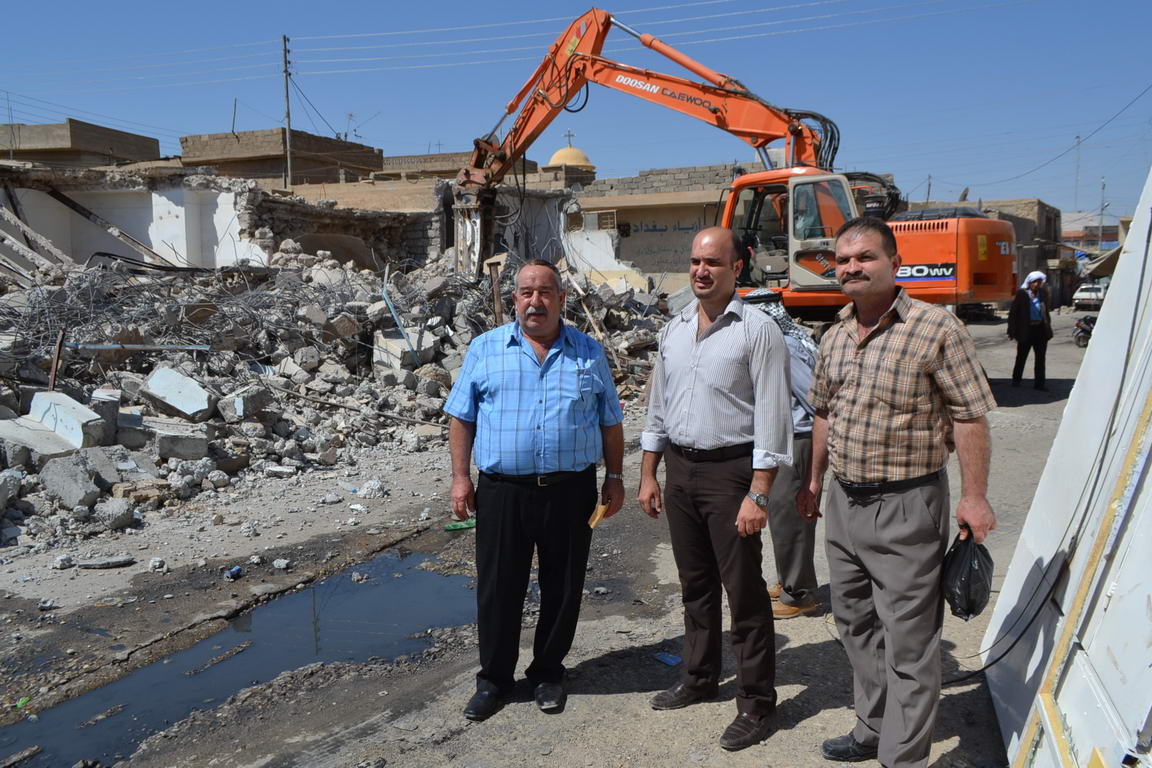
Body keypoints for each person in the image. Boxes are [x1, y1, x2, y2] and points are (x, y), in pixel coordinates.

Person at [805, 217, 996, 767]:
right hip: (844, 501)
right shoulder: (835, 334)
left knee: (909, 641)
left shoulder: (936, 328)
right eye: (843, 260)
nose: (852, 268)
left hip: (908, 504)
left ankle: (902, 758)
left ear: (894, 262)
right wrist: (814, 480)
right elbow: (824, 412)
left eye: (864, 257)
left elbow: (969, 416)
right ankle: (872, 728)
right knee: (855, 624)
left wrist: (975, 496)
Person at [444, 258, 625, 721]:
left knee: (562, 586)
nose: (535, 301)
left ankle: (548, 673)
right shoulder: (486, 349)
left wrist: (615, 477)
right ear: (514, 299)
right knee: (498, 587)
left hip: (570, 491)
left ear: (561, 299)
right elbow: (461, 416)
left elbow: (611, 421)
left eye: (545, 292)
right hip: (503, 491)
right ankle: (494, 680)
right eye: (526, 292)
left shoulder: (588, 352)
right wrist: (461, 477)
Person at [639, 227, 793, 751]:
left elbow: (773, 418)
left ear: (736, 268)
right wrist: (649, 472)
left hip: (732, 474)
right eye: (695, 262)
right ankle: (699, 677)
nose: (701, 271)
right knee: (695, 584)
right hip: (681, 470)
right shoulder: (676, 327)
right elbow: (658, 406)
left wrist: (759, 492)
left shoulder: (758, 330)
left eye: (713, 263)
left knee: (743, 591)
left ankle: (756, 703)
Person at [758, 294, 820, 619]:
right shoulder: (778, 343)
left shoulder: (786, 346)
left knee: (792, 518)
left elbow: (815, 400)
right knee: (781, 516)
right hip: (782, 439)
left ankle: (800, 594)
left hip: (797, 440)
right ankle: (788, 581)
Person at [1008, 270, 1052, 390]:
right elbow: (1013, 314)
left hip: (1040, 330)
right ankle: (1016, 380)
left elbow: (1046, 312)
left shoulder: (1043, 293)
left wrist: (1048, 328)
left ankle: (1040, 384)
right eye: (1034, 282)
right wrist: (1011, 330)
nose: (1036, 284)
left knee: (1040, 359)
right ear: (1029, 282)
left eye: (1039, 282)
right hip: (1025, 330)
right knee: (1021, 357)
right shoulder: (1022, 294)